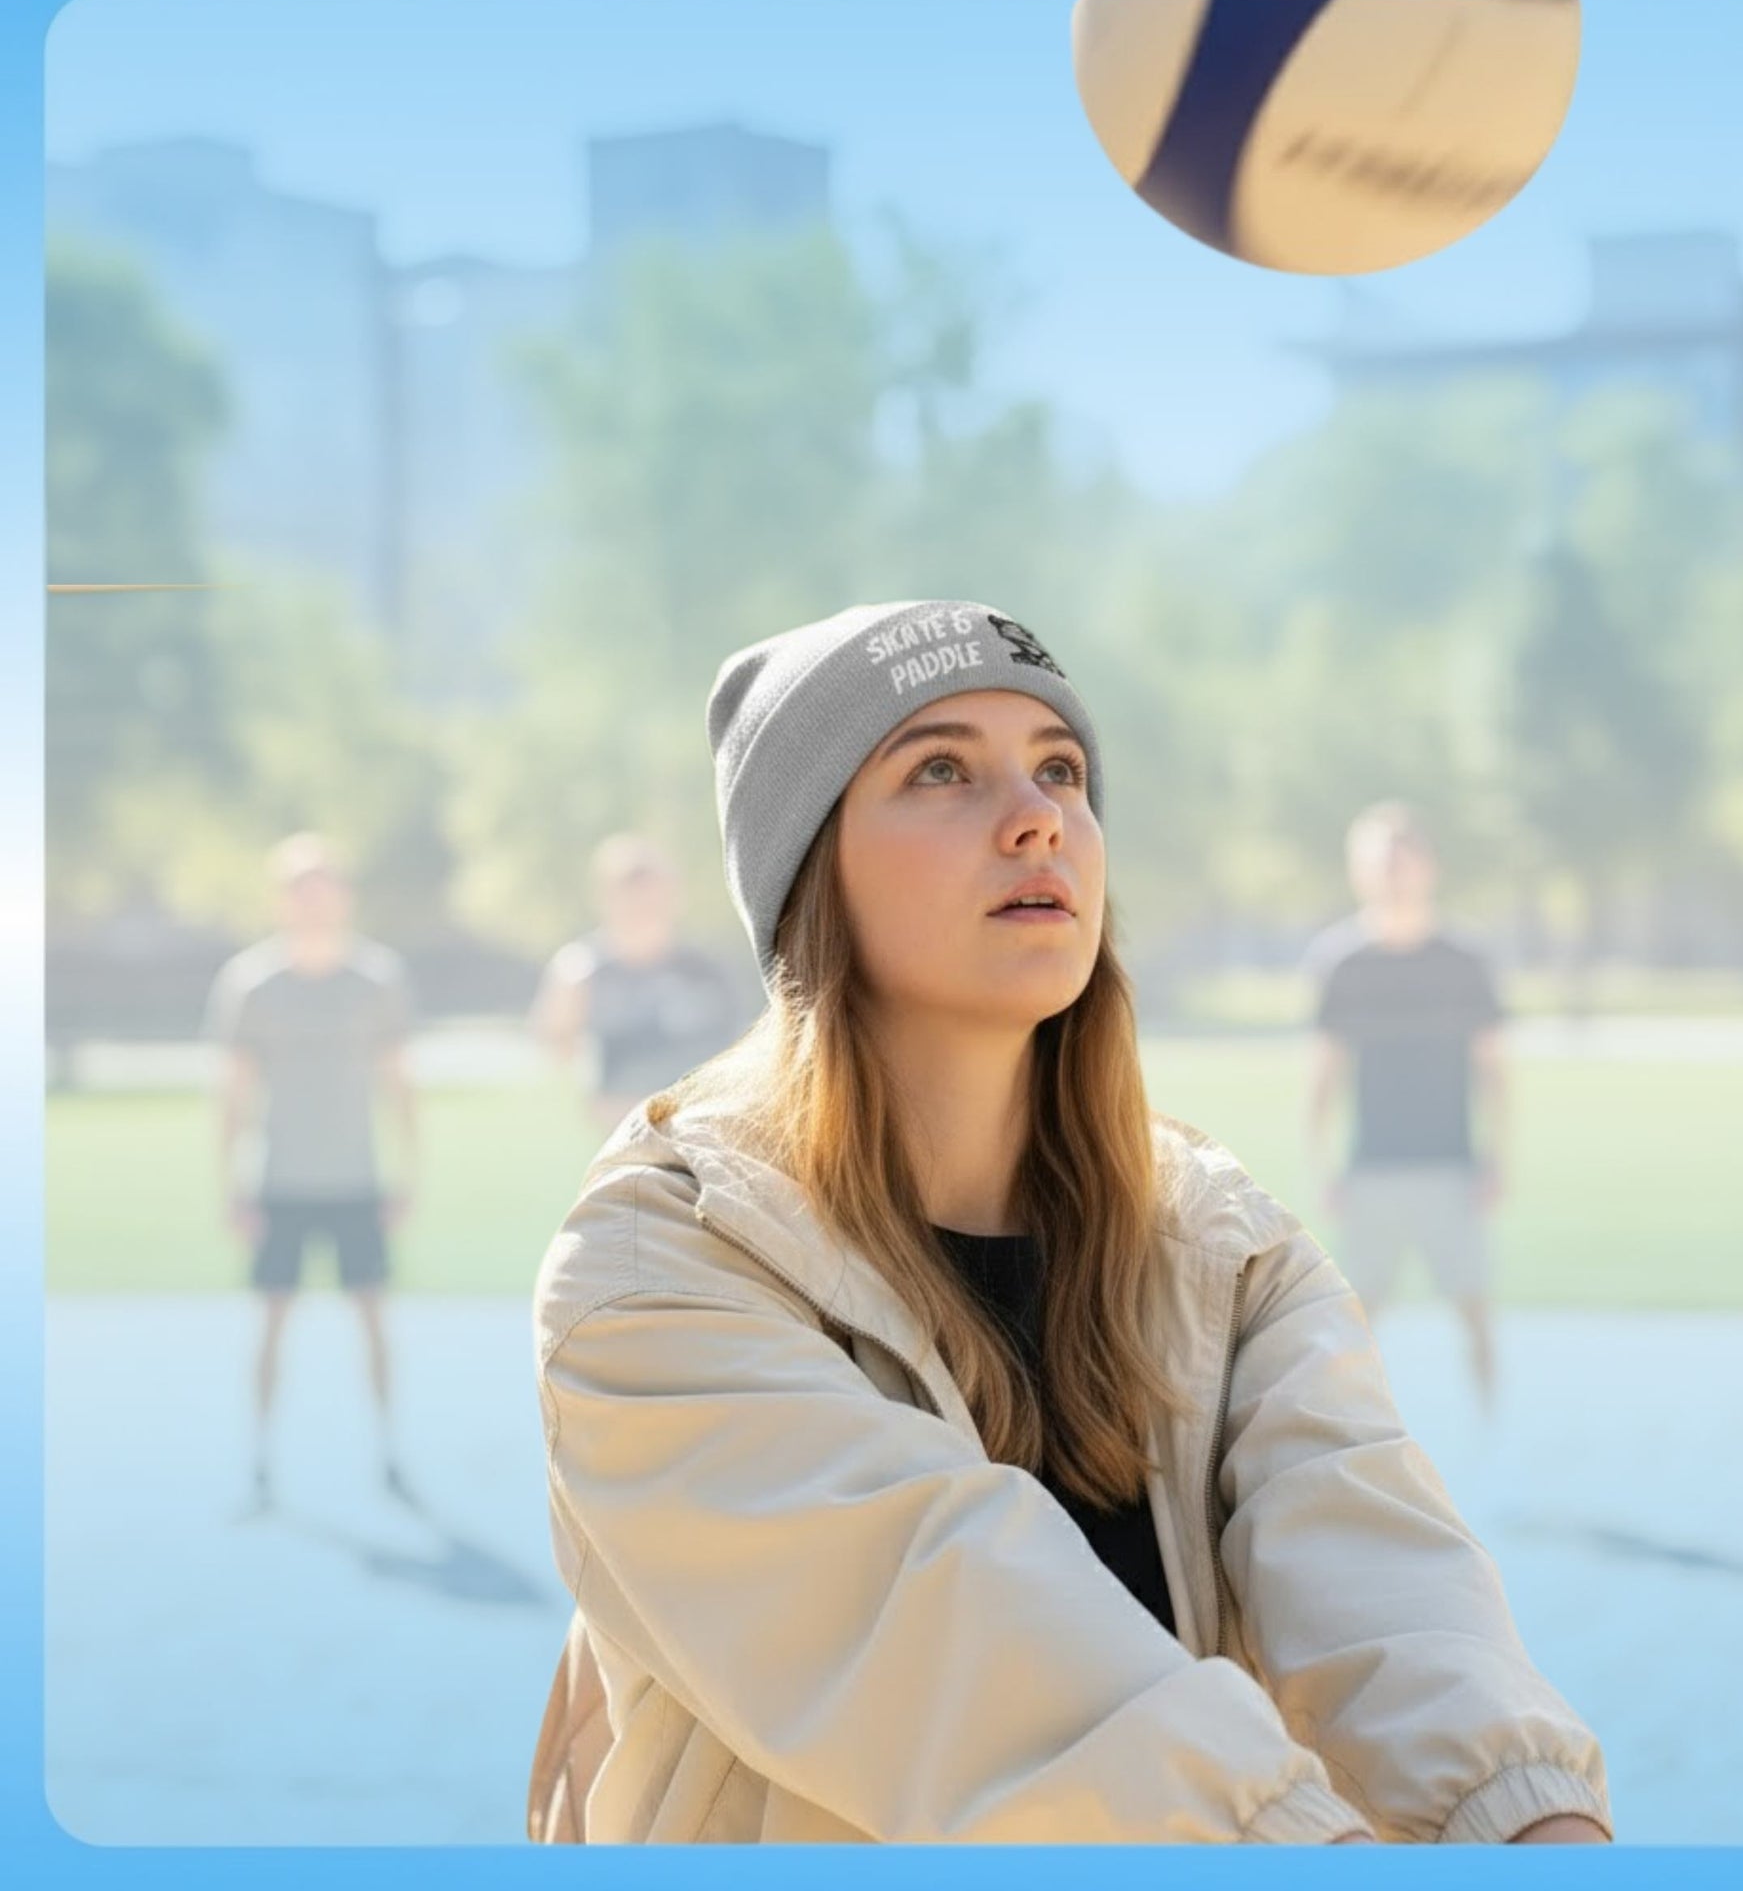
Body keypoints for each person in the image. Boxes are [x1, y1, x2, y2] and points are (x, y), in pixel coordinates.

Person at [526, 602, 1608, 1847]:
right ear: (808, 866)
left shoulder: (1217, 1246)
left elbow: (1379, 1570)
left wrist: (1526, 1820)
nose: (1036, 814)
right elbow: (952, 1629)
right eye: (938, 768)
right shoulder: (661, 1261)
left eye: (1060, 768)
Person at [205, 832, 418, 1513]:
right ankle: (260, 1457)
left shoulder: (376, 980)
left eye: (324, 887)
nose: (313, 901)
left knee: (372, 1319)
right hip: (281, 1182)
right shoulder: (252, 984)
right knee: (270, 1320)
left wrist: (406, 1175)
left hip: (357, 1181)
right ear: (282, 899)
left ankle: (388, 1449)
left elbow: (399, 1086)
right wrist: (230, 1186)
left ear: (342, 897)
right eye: (300, 888)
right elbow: (233, 1094)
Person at [1304, 803, 1509, 1415]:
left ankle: (1492, 1431)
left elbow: (1494, 1070)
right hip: (1373, 1169)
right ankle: (1356, 1446)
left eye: (1404, 860)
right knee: (1358, 1321)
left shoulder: (1464, 960)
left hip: (1451, 1164)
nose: (1394, 874)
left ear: (1428, 867)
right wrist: (1323, 1166)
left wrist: (1497, 1158)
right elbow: (1324, 1076)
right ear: (1358, 872)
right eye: (1380, 862)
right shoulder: (1342, 961)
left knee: (1474, 1309)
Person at [529, 834, 747, 1136]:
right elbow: (556, 1061)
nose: (644, 906)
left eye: (653, 895)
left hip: (702, 1132)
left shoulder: (706, 972)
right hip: (615, 1135)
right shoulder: (580, 973)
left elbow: (737, 1056)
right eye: (632, 894)